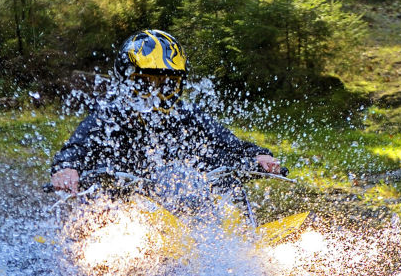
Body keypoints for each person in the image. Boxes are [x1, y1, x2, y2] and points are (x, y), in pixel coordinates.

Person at [50, 29, 281, 195]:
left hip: (178, 210)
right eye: (144, 83)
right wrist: (66, 169)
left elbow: (229, 144)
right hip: (117, 209)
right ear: (125, 80)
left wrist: (257, 156)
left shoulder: (188, 115)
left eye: (167, 84)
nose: (156, 93)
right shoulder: (107, 117)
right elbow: (75, 148)